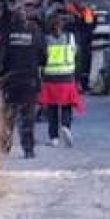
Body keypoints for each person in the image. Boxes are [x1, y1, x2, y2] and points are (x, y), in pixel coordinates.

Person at [0, 10, 47, 158]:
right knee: (28, 116)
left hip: (10, 79)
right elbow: (44, 57)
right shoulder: (35, 34)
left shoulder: (8, 34)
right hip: (29, 80)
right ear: (26, 20)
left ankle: (5, 146)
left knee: (8, 115)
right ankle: (28, 149)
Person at [39, 14, 84, 148]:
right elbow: (76, 55)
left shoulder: (46, 40)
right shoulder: (70, 38)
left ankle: (54, 137)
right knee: (67, 105)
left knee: (52, 108)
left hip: (50, 77)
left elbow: (42, 57)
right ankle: (66, 126)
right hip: (67, 76)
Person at [66, 0, 96, 92]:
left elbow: (90, 25)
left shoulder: (87, 10)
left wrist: (82, 16)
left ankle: (84, 84)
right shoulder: (68, 9)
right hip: (71, 39)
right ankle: (73, 84)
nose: (77, 0)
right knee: (74, 63)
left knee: (85, 63)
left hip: (85, 41)